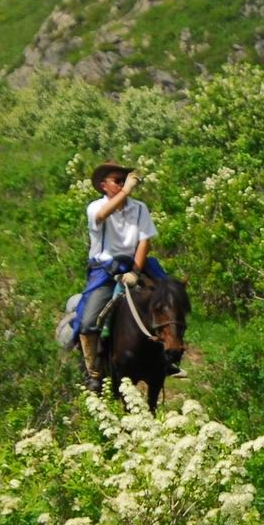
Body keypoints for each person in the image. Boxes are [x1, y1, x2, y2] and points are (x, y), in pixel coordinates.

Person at [76, 160, 169, 394]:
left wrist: (136, 272)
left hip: (135, 264)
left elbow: (144, 240)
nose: (123, 184)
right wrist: (126, 190)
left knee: (170, 298)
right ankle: (94, 372)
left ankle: (169, 357)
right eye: (117, 181)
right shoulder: (95, 207)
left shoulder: (139, 208)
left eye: (124, 180)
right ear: (103, 185)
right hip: (104, 267)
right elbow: (101, 217)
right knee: (88, 321)